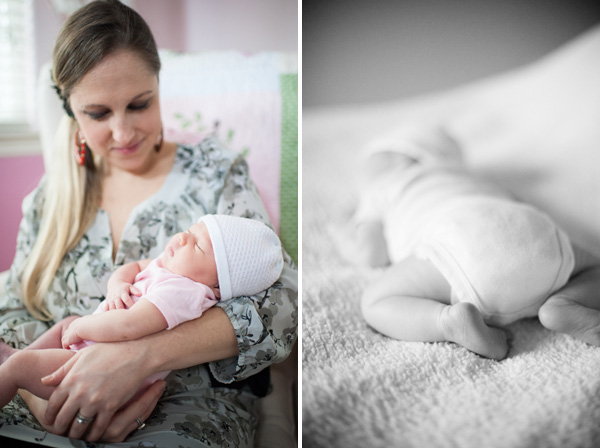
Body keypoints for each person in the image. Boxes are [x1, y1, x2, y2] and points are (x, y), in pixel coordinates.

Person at [0, 0, 297, 446]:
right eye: (98, 114)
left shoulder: (213, 172)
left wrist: (141, 358)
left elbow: (284, 305)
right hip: (45, 399)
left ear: (159, 86)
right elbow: (12, 313)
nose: (123, 133)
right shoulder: (50, 198)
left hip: (181, 408)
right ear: (71, 112)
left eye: (140, 104)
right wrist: (49, 400)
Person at [336, 125, 600, 361]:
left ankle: (447, 322)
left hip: (457, 248)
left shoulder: (382, 190)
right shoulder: (469, 176)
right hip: (529, 230)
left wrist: (343, 236)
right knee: (593, 267)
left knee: (375, 301)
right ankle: (564, 303)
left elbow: (371, 252)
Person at [0, 214, 284, 412]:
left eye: (197, 245)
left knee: (20, 368)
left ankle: (15, 366)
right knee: (66, 324)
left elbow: (129, 326)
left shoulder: (185, 292)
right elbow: (134, 268)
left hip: (98, 372)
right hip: (93, 348)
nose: (183, 237)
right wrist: (117, 287)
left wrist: (83, 328)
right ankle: (16, 356)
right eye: (192, 230)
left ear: (217, 286)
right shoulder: (169, 266)